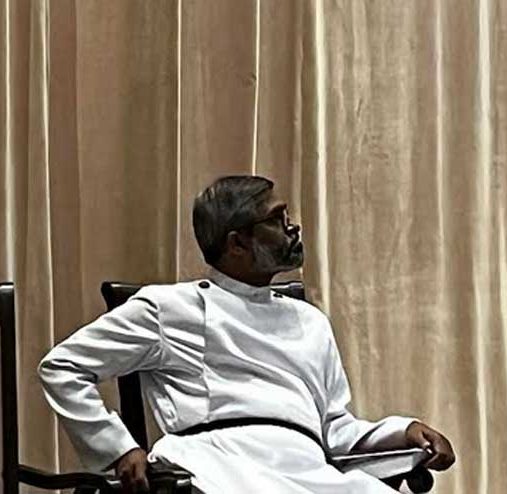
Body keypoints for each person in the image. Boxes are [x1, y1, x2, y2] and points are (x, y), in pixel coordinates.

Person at [38, 175, 455, 493]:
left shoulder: (310, 321)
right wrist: (118, 447)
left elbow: (332, 429)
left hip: (307, 469)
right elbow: (62, 366)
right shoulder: (172, 308)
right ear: (237, 244)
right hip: (221, 464)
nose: (293, 229)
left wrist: (402, 431)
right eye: (276, 220)